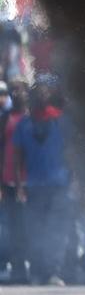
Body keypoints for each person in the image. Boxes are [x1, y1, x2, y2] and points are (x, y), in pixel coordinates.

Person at [13, 81, 72, 285]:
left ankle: (52, 271)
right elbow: (17, 156)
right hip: (35, 185)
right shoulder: (24, 124)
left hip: (59, 183)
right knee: (35, 230)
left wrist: (75, 180)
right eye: (38, 94)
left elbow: (71, 153)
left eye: (44, 94)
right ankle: (39, 272)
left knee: (55, 230)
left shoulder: (60, 121)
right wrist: (20, 185)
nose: (41, 97)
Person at [0, 82, 26, 282]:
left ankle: (22, 267)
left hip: (28, 182)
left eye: (21, 90)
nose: (17, 94)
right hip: (7, 181)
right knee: (9, 226)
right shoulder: (5, 118)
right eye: (14, 90)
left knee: (25, 227)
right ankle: (10, 266)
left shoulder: (32, 118)